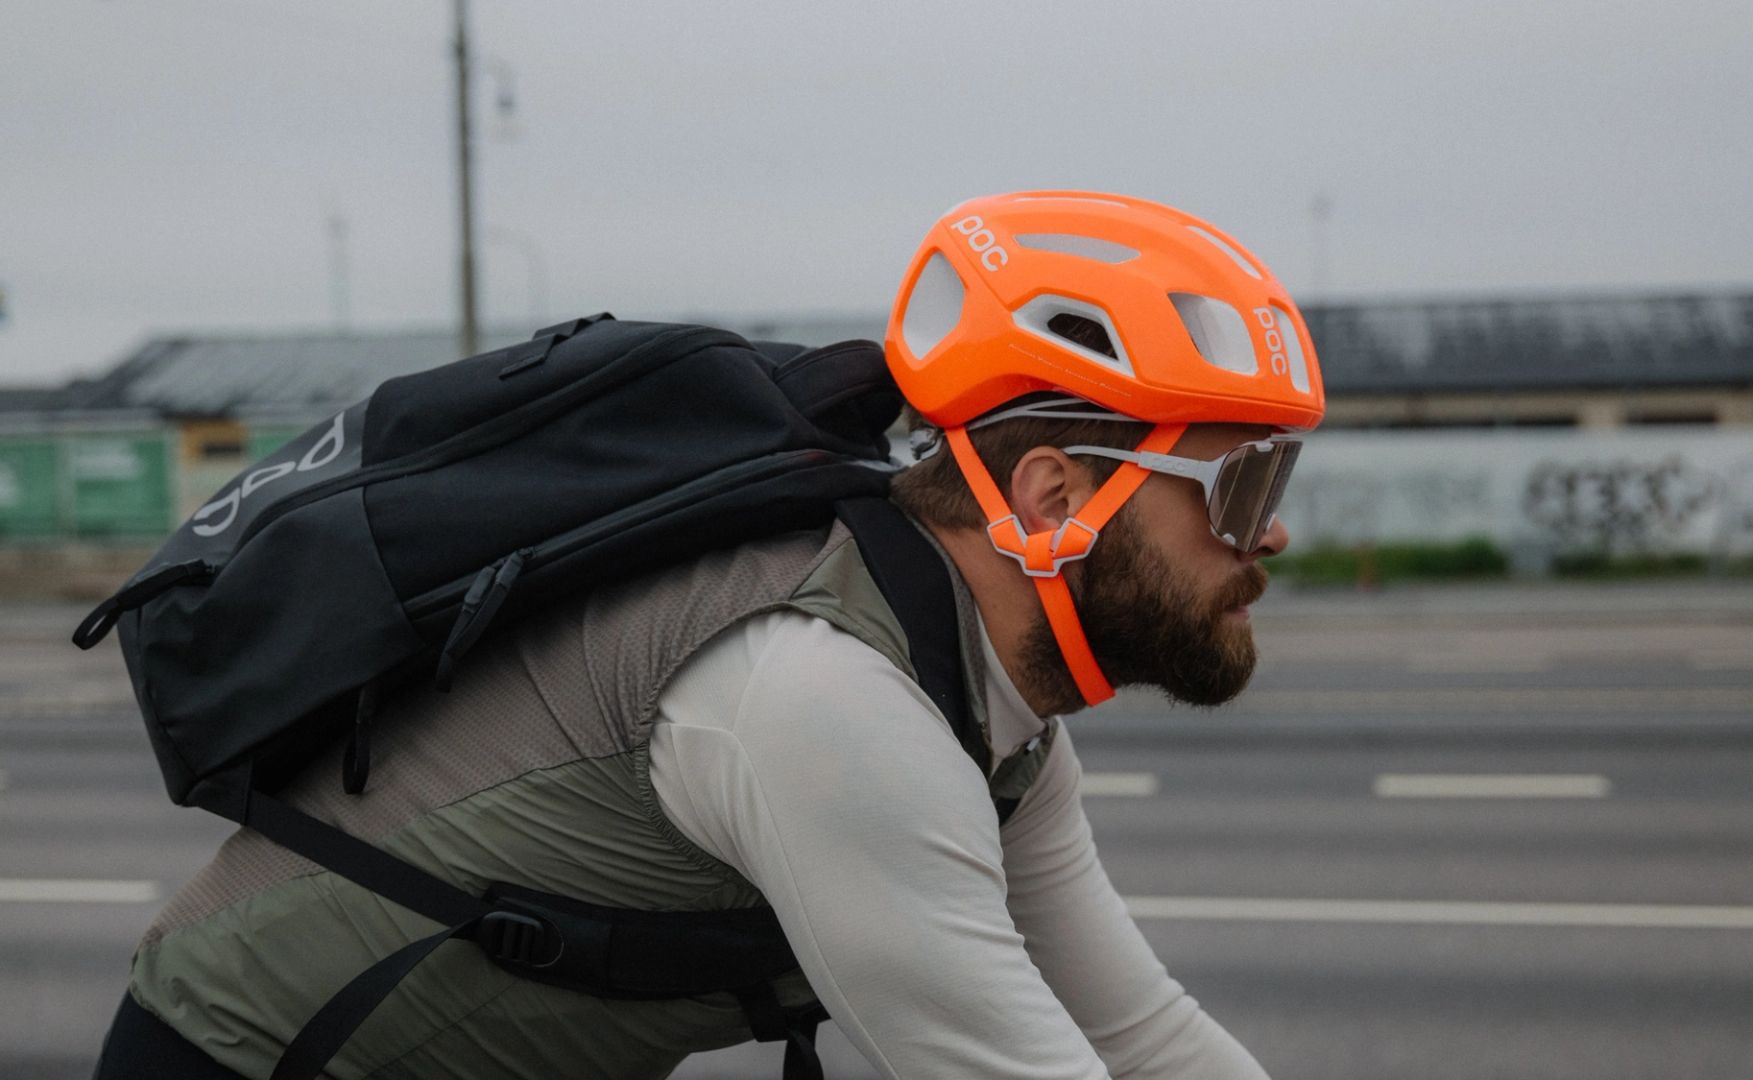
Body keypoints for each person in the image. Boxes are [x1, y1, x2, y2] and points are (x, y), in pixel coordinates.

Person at [93, 190, 1322, 1079]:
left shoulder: (998, 726)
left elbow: (1138, 1037)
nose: (1268, 537)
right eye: (1241, 489)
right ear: (1057, 499)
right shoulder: (824, 701)